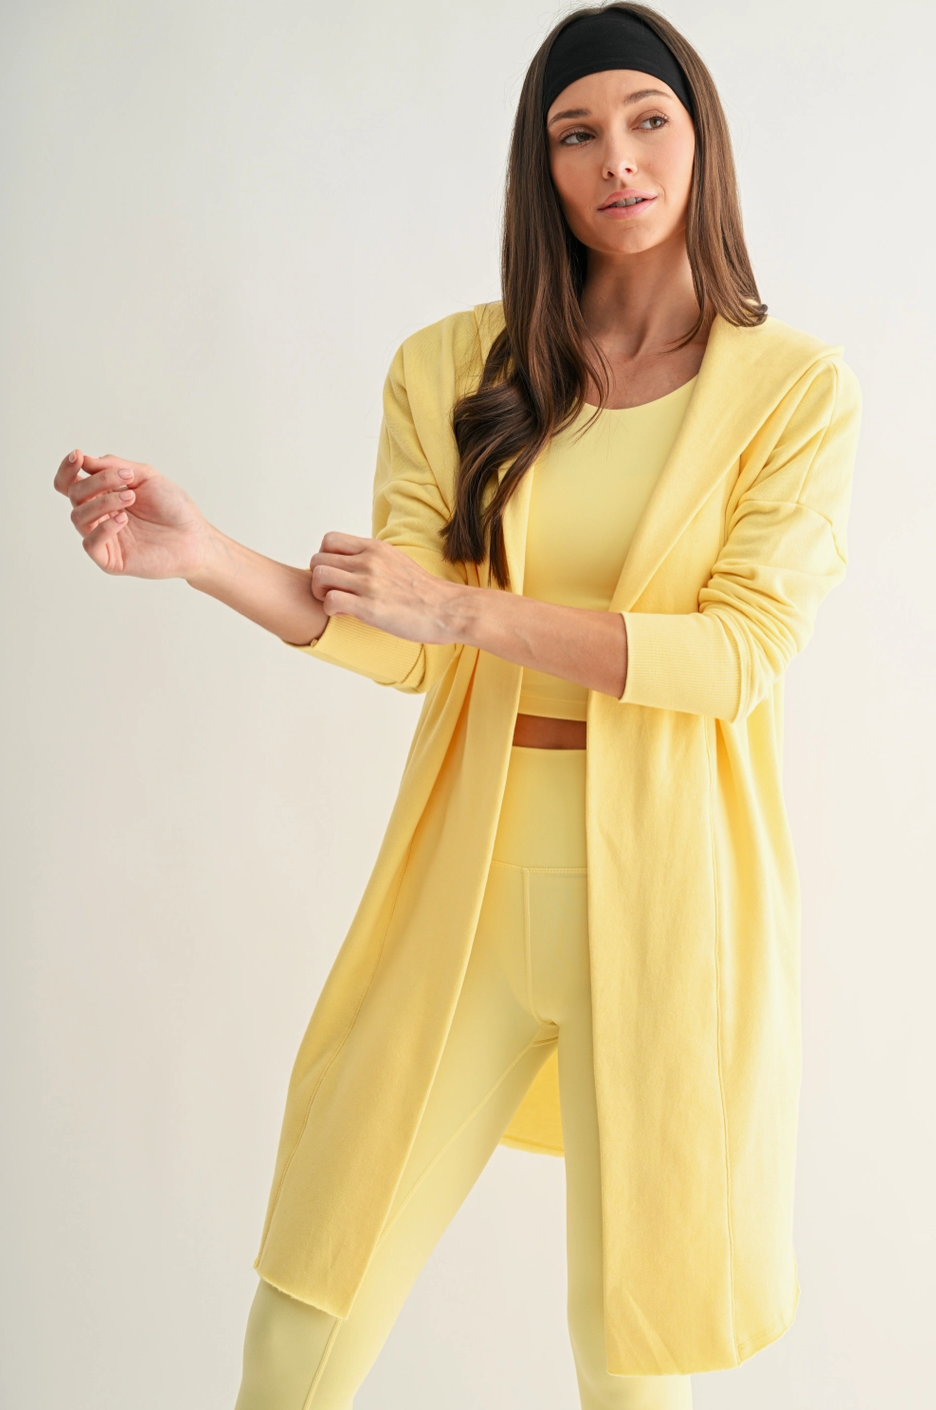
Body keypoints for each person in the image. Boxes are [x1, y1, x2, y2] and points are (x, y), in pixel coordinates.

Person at [53, 5, 861, 1407]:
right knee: (306, 1315)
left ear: (701, 138)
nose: (618, 156)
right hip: (467, 889)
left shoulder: (792, 391)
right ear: (540, 167)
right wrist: (206, 555)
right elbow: (401, 640)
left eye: (648, 119)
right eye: (578, 132)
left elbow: (739, 656)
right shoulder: (450, 368)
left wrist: (467, 609)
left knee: (633, 1356)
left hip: (671, 909)